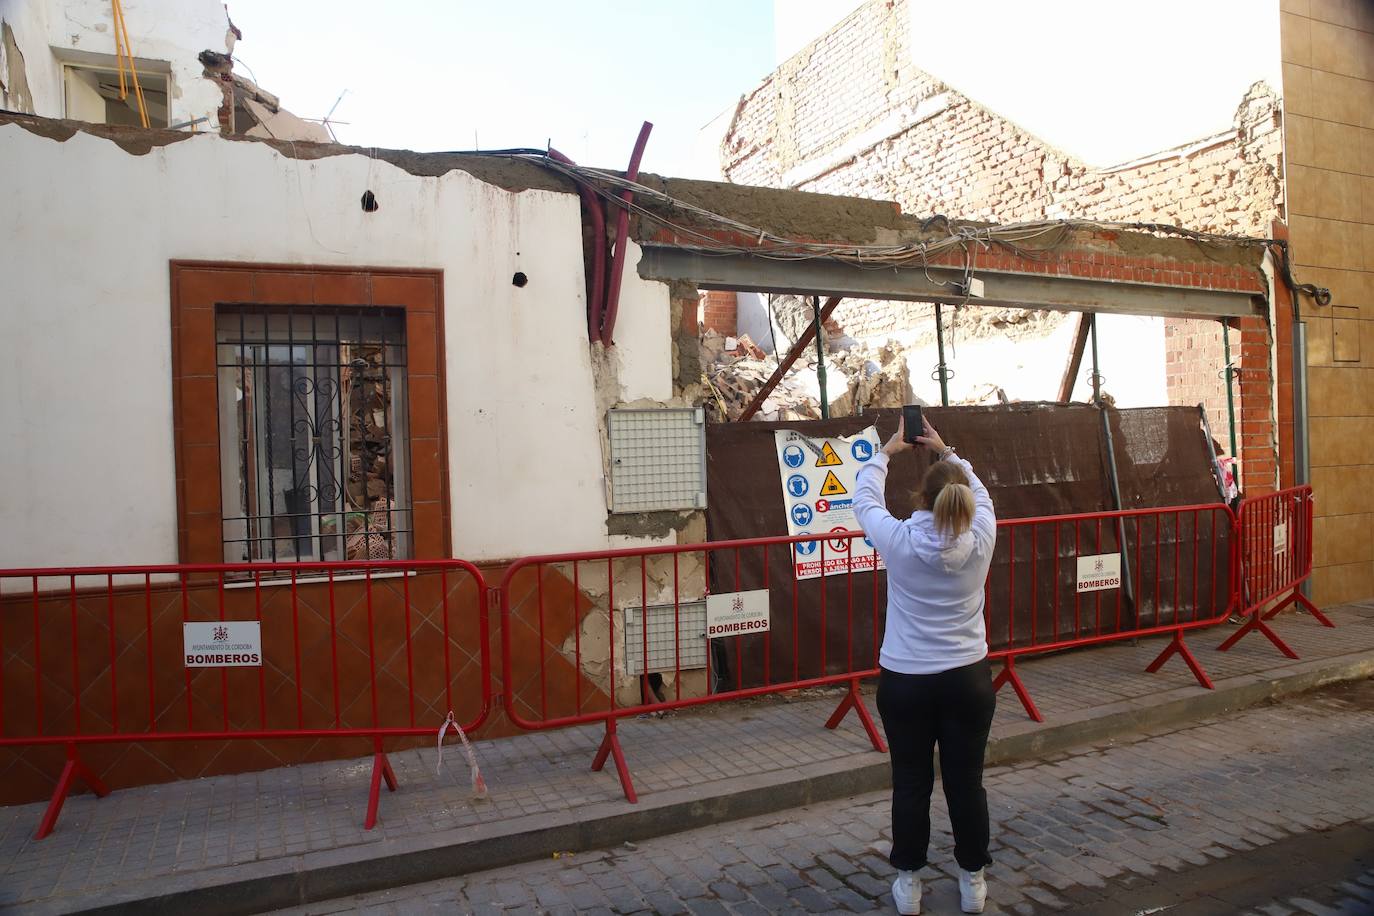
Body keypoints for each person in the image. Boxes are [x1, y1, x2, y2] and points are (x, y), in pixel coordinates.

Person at [853, 414, 997, 915]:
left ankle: (909, 884)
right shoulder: (982, 535)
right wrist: (947, 451)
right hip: (968, 679)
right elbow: (980, 492)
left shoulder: (898, 541)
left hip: (906, 681)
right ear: (965, 503)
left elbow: (864, 502)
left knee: (911, 783)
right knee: (966, 782)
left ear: (922, 499)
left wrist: (886, 452)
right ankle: (973, 880)